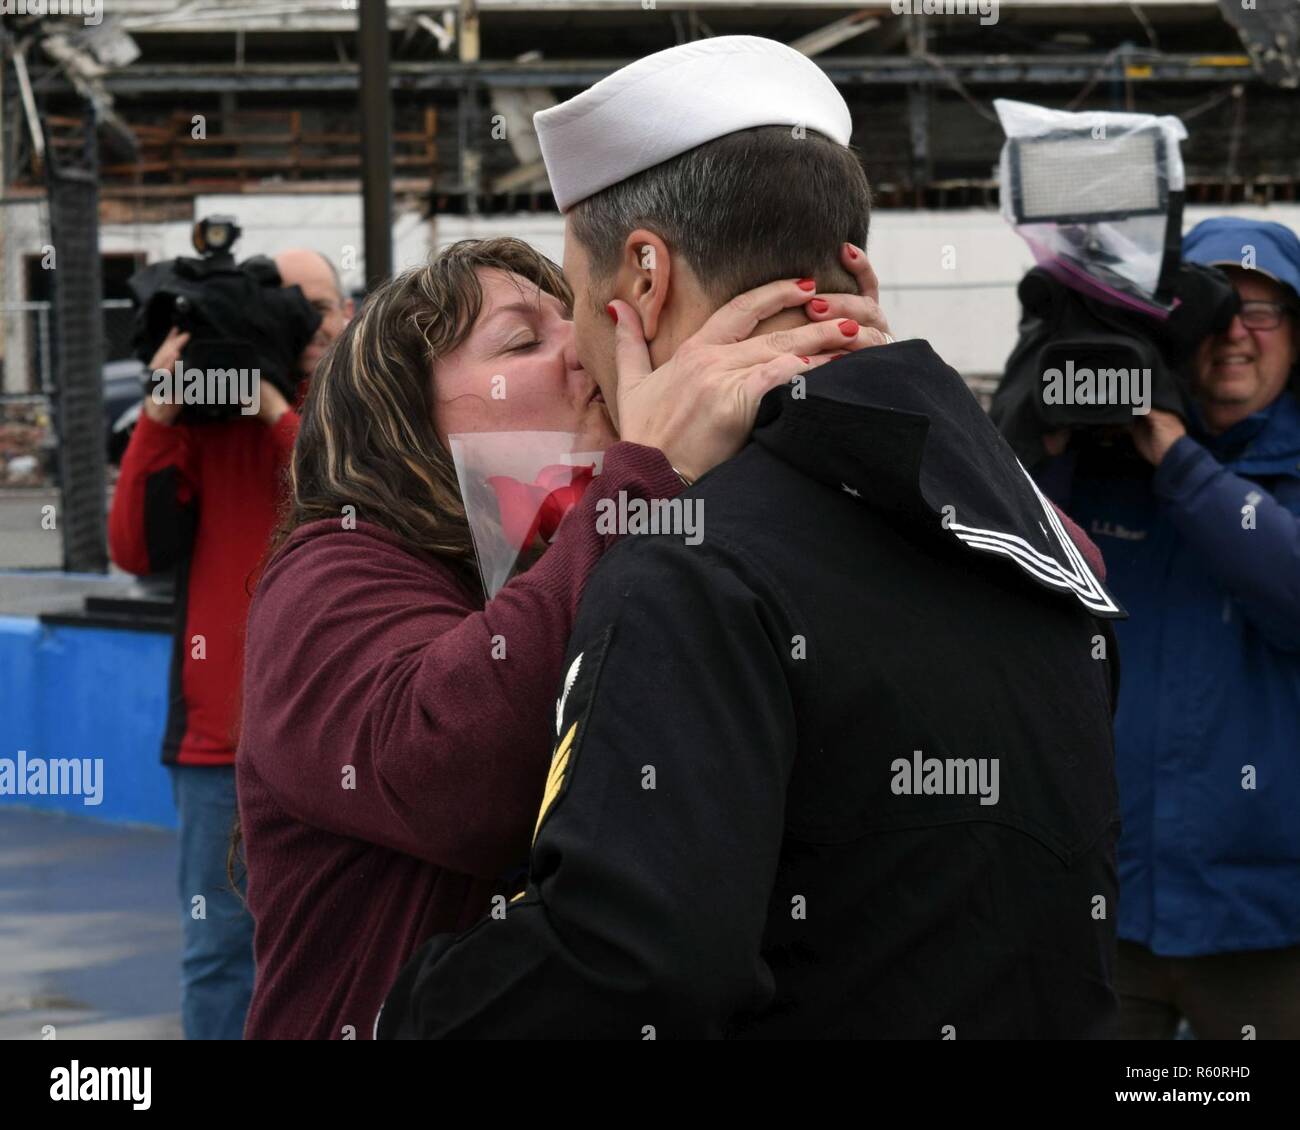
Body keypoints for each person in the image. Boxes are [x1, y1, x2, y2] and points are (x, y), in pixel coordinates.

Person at [378, 36, 1121, 1040]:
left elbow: (628, 960)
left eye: (580, 291)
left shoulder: (689, 559)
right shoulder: (1043, 542)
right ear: (850, 265)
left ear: (644, 274)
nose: (584, 361)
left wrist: (417, 1007)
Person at [235, 238, 889, 1039]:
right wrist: (650, 468)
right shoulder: (332, 572)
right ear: (402, 423)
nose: (582, 350)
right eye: (521, 342)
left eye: (572, 322)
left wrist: (843, 384)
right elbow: (446, 771)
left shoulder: (610, 537)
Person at [1034, 217, 1300, 1039]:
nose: (1233, 335)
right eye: (1208, 310)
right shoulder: (1099, 467)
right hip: (1106, 911)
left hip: (1266, 924)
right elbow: (1004, 581)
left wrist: (1178, 459)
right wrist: (1041, 428)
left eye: (1260, 311)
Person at [108, 248, 352, 1040]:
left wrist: (276, 406)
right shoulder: (201, 429)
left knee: (344, 949)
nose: (302, 321)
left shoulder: (361, 411)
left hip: (339, 736)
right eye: (281, 304)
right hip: (219, 747)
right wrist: (158, 414)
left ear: (346, 313)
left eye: (316, 305)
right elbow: (134, 549)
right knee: (218, 953)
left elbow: (336, 507)